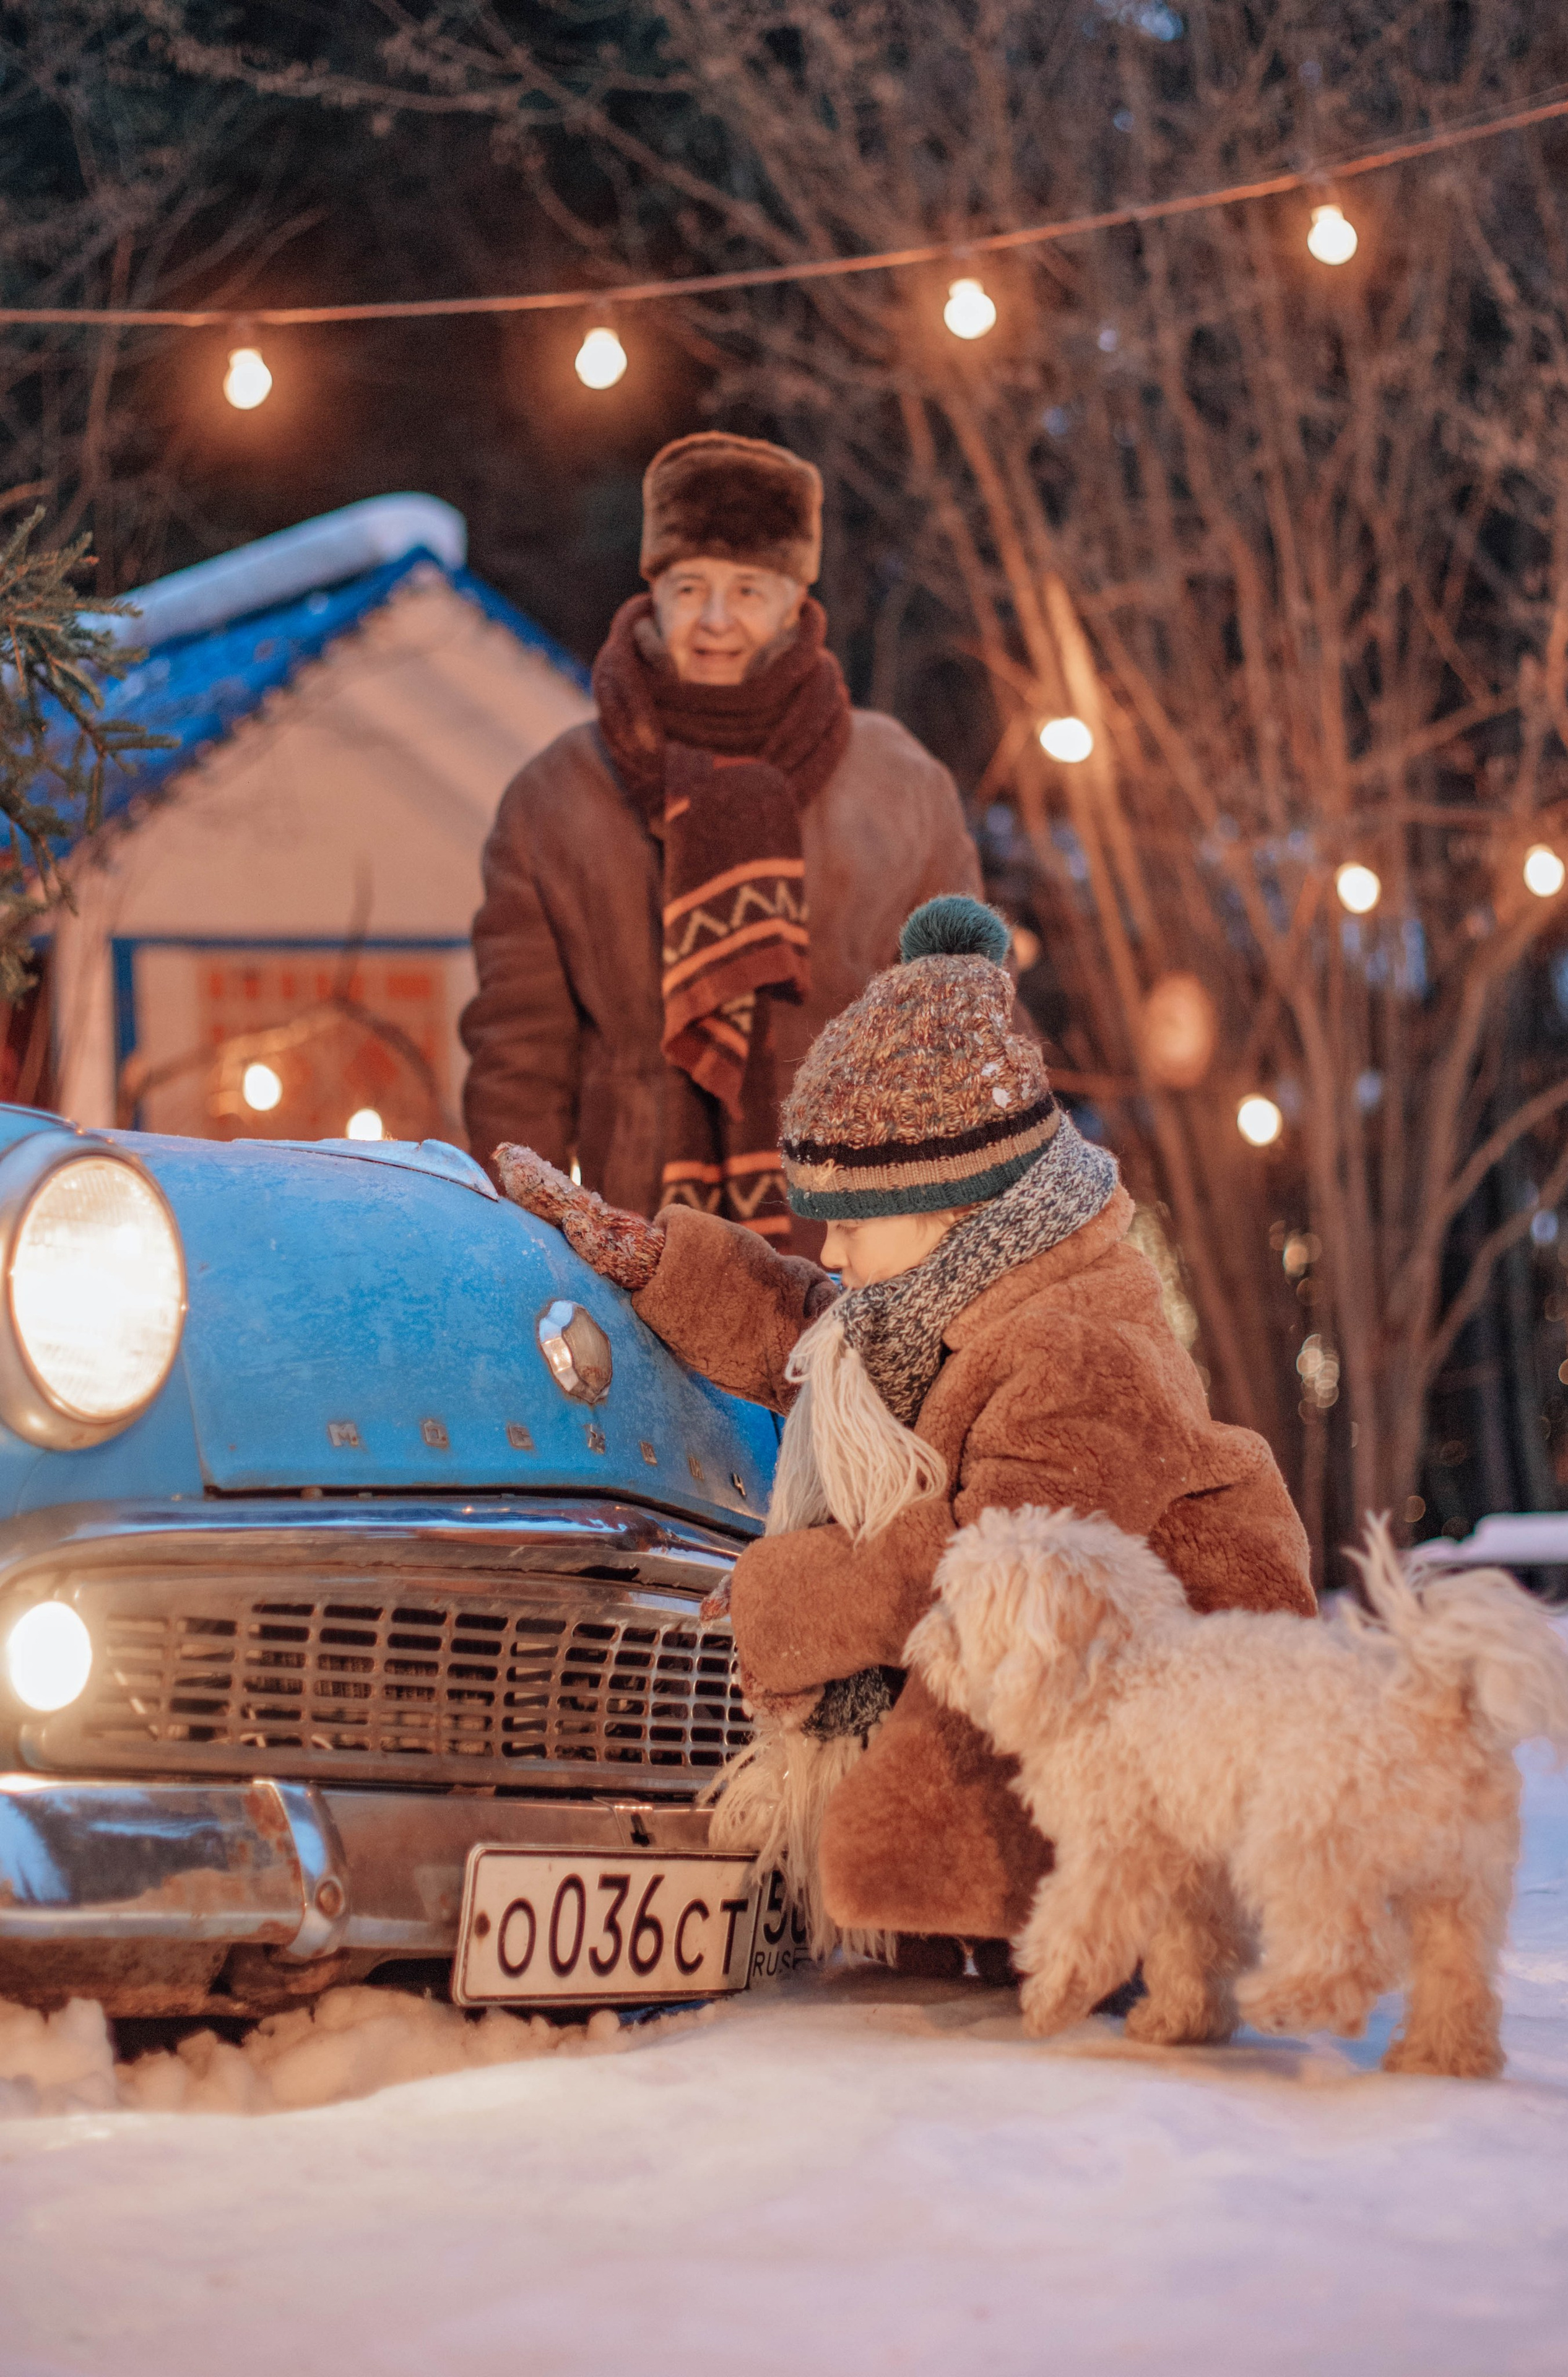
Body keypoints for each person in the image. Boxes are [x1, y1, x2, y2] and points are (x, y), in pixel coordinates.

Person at [496, 895, 1316, 1976]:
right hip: (1057, 1718)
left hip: (1157, 1752)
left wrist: (780, 1595)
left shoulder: (1082, 1352)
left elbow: (977, 1575)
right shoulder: (951, 1296)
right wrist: (647, 1262)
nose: (833, 1255)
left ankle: (1058, 1942)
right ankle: (960, 1930)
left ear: (949, 1211)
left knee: (958, 1876)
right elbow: (813, 1331)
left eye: (851, 1224)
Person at [461, 431, 982, 1253]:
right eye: (689, 585)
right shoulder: (555, 798)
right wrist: (522, 1252)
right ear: (653, 591)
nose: (713, 620)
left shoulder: (900, 786)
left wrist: (961, 1245)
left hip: (855, 1247)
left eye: (746, 589)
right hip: (636, 1244)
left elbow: (964, 1031)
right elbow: (517, 1063)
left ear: (792, 601)